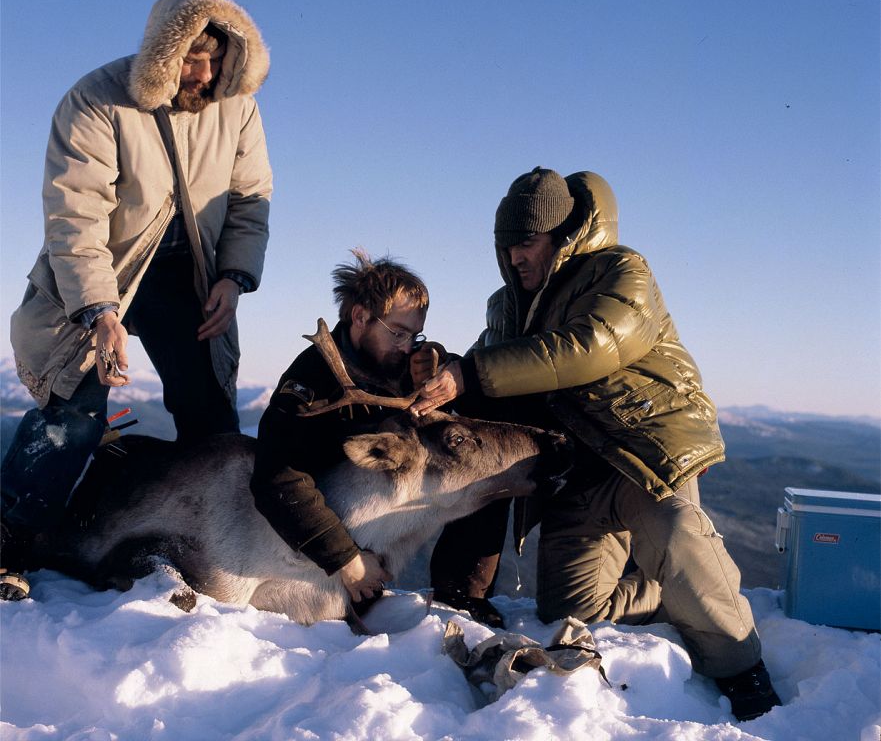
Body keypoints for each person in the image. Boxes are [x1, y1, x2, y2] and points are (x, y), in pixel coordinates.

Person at [411, 167, 782, 722]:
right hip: (577, 477)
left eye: (527, 242)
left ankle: (743, 671)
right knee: (570, 611)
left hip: (642, 456)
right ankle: (674, 593)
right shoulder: (506, 306)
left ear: (562, 236)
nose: (515, 256)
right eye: (506, 244)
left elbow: (592, 346)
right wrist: (444, 365)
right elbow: (488, 370)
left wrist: (474, 371)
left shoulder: (620, 271)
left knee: (677, 535)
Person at [0, 0, 272, 601]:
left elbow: (251, 202)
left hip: (192, 283)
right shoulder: (96, 101)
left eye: (216, 61)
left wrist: (234, 277)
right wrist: (99, 308)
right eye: (190, 60)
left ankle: (209, 553)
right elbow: (76, 219)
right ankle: (8, 544)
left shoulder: (239, 107)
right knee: (73, 412)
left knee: (211, 420)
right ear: (160, 53)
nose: (203, 75)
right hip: (103, 278)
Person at [251, 251, 452, 614]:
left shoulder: (396, 359)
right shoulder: (310, 384)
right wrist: (348, 561)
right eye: (398, 333)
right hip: (313, 548)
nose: (407, 347)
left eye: (415, 336)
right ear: (360, 317)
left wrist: (440, 366)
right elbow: (277, 479)